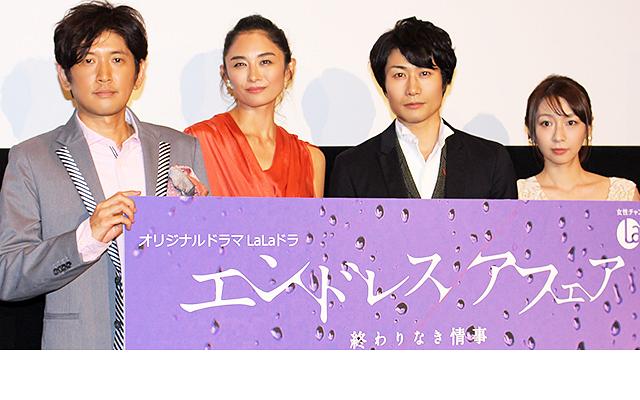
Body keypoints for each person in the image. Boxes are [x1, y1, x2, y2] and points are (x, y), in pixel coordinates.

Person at [0, 1, 209, 349]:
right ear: (64, 75)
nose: (103, 75)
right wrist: (88, 237)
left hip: (169, 345)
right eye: (87, 60)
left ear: (139, 71)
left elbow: (206, 257)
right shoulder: (31, 159)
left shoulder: (181, 147)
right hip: (79, 352)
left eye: (117, 59)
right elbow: (8, 275)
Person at [329, 17, 517, 199]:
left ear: (444, 80)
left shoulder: (491, 161)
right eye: (399, 75)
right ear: (384, 86)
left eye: (424, 73)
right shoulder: (352, 167)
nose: (412, 89)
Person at [185, 15, 325, 197]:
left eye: (265, 62)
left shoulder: (311, 160)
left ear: (289, 69)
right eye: (240, 64)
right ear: (225, 75)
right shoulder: (197, 142)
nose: (254, 76)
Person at [518, 75, 639, 201]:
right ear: (530, 130)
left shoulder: (624, 194)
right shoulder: (516, 194)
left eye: (570, 123)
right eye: (546, 123)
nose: (558, 137)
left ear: (588, 128)